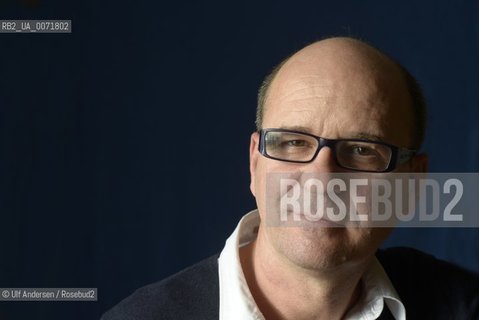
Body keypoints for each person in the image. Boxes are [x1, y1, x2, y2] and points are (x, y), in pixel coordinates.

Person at [101, 37, 479, 320]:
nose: (321, 178)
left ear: (413, 181)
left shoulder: (459, 306)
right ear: (255, 163)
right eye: (293, 142)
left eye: (363, 150)